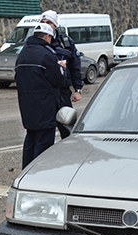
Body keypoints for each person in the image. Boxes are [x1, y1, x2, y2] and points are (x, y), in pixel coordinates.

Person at [15, 23, 66, 168]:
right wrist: (61, 68)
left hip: (27, 107)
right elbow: (58, 80)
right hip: (45, 108)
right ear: (47, 36)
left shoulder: (23, 54)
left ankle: (26, 173)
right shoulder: (46, 55)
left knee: (30, 141)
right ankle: (38, 175)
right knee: (43, 146)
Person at [39, 9, 84, 139]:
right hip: (45, 93)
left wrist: (78, 89)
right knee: (45, 132)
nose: (46, 25)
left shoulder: (66, 43)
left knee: (67, 128)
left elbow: (75, 66)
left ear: (55, 25)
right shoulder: (37, 43)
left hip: (63, 92)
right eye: (43, 22)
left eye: (49, 22)